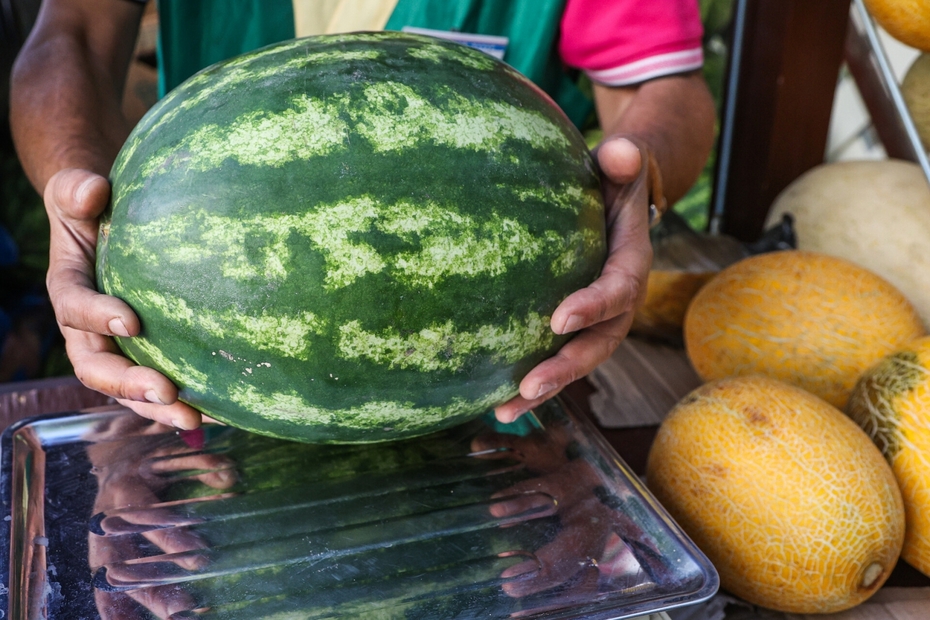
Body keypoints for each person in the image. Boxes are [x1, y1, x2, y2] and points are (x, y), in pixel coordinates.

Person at [9, 0, 716, 431]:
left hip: (507, 403)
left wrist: (634, 180)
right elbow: (70, 30)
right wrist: (76, 196)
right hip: (194, 389)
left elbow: (666, 88)